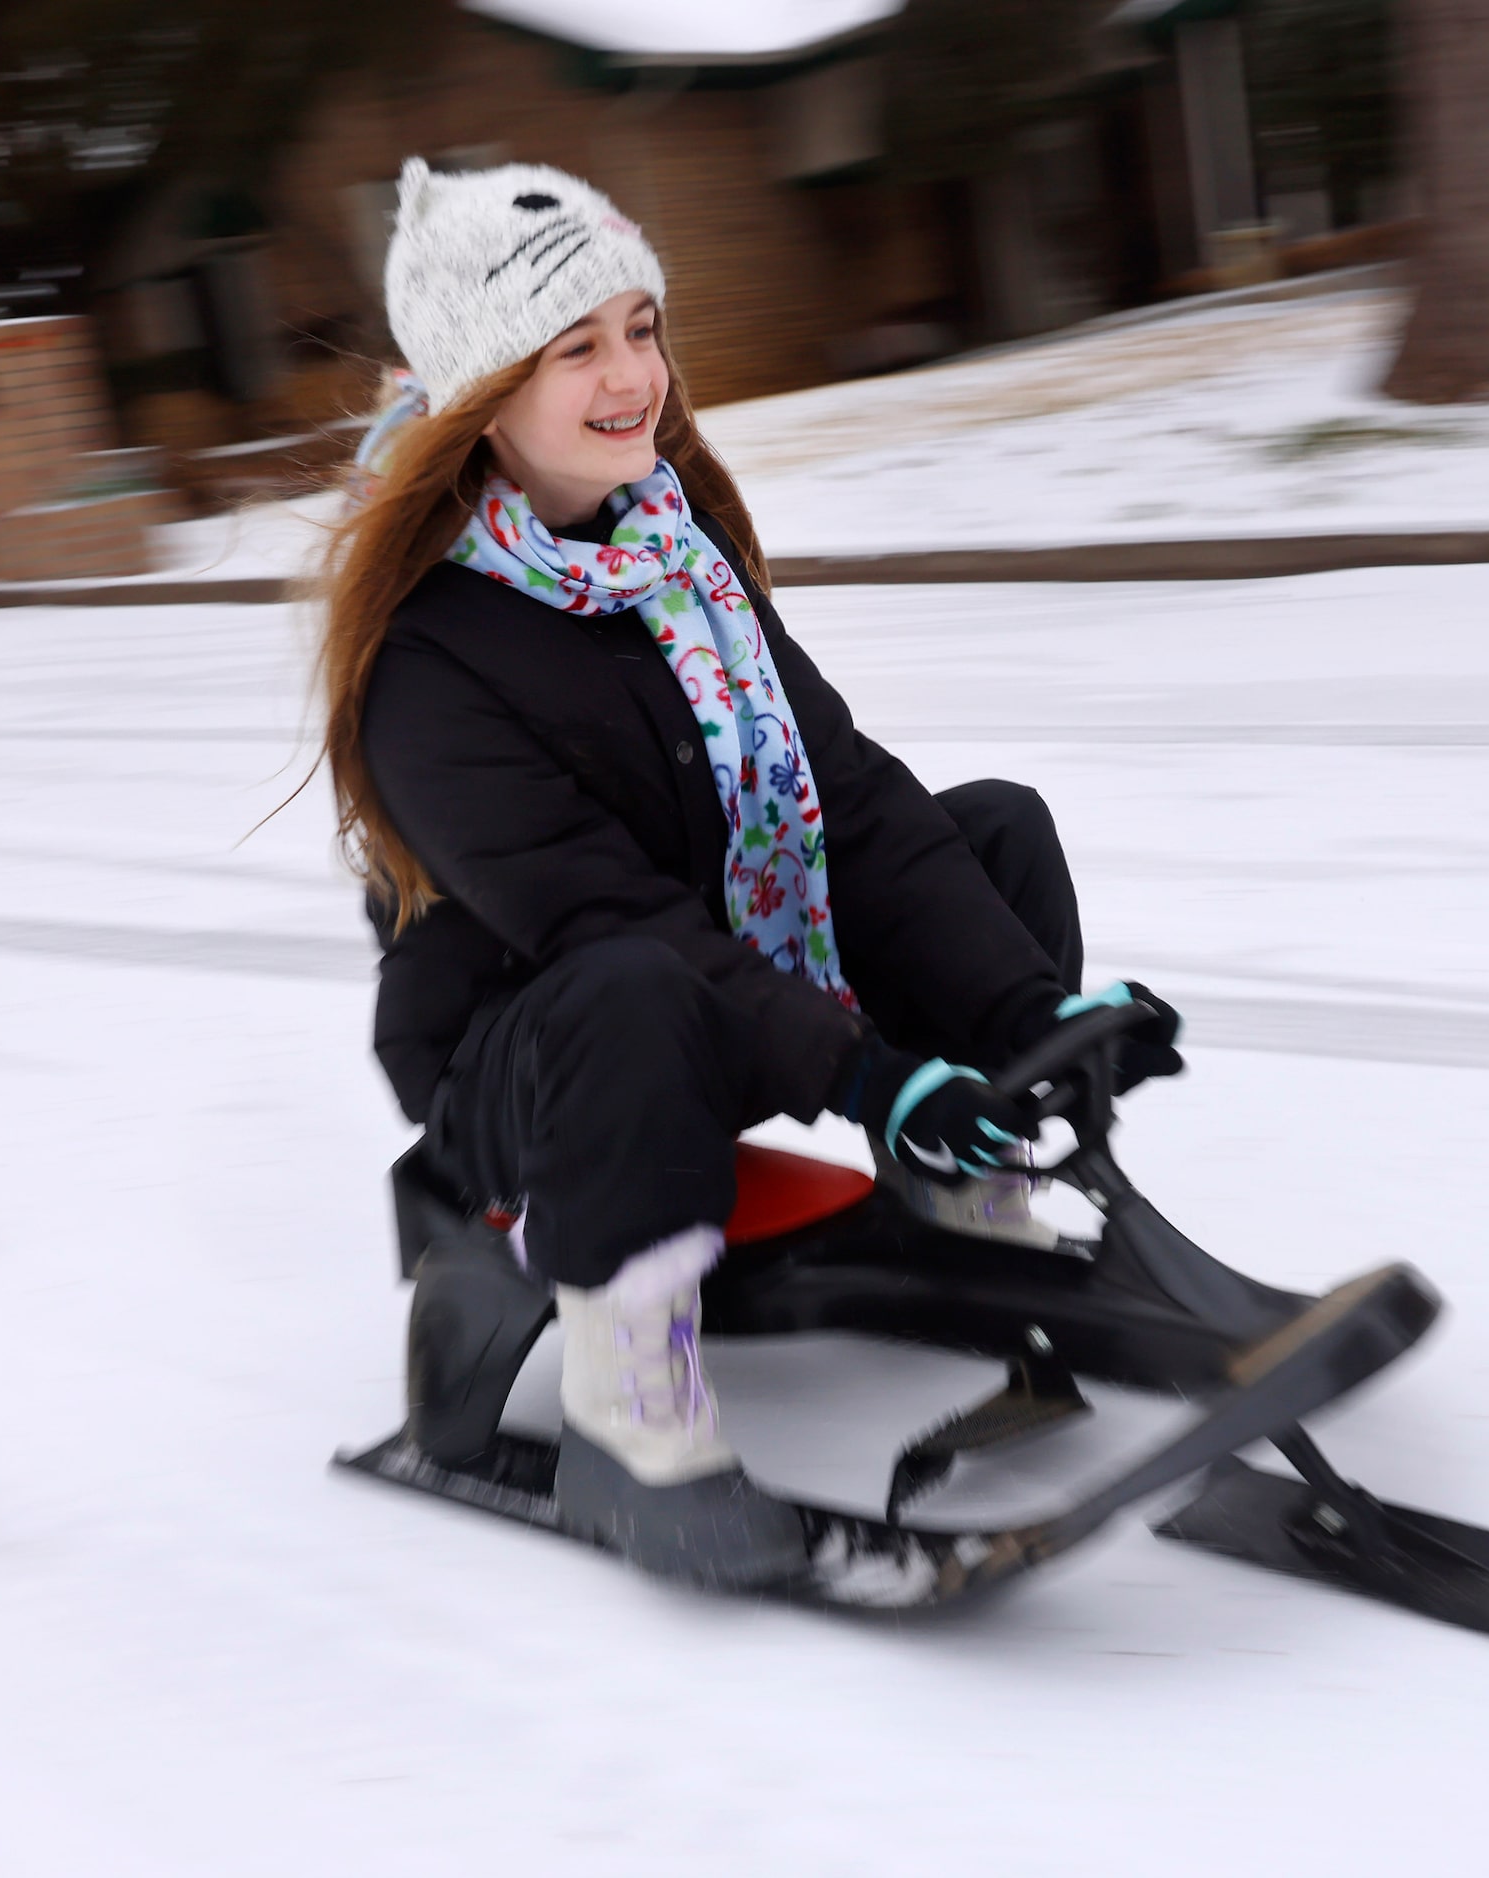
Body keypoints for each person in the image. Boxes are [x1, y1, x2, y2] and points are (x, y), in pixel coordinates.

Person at [316, 159, 1182, 1584]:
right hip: (535, 1067)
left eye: (640, 329)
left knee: (989, 825)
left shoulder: (674, 555)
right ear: (480, 389)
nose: (629, 375)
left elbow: (844, 798)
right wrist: (865, 1069)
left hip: (698, 977)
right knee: (636, 976)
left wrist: (1024, 1022)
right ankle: (625, 1390)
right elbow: (605, 917)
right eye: (575, 345)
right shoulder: (426, 658)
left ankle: (965, 1191)